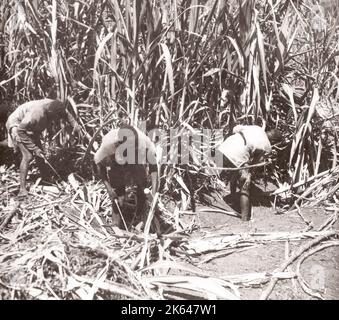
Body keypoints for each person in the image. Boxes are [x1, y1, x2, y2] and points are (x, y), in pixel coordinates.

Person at [6, 98, 81, 197]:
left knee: (40, 153)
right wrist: (34, 147)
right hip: (17, 125)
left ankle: (45, 178)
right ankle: (22, 189)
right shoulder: (37, 114)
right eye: (56, 117)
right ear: (50, 113)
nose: (57, 119)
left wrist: (75, 124)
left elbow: (65, 114)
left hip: (29, 127)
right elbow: (21, 131)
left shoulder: (56, 105)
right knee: (28, 156)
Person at [94, 124, 159, 229]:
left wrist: (155, 193)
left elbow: (153, 168)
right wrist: (109, 188)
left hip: (136, 159)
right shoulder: (108, 145)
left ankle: (139, 214)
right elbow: (98, 165)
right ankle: (118, 211)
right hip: (115, 160)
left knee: (141, 184)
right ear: (118, 144)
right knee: (118, 188)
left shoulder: (145, 144)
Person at [216, 125, 283, 221]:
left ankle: (233, 198)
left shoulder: (257, 128)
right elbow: (254, 164)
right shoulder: (267, 146)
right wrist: (248, 174)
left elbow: (235, 128)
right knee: (245, 186)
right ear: (273, 141)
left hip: (223, 149)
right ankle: (245, 218)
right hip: (238, 156)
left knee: (236, 171)